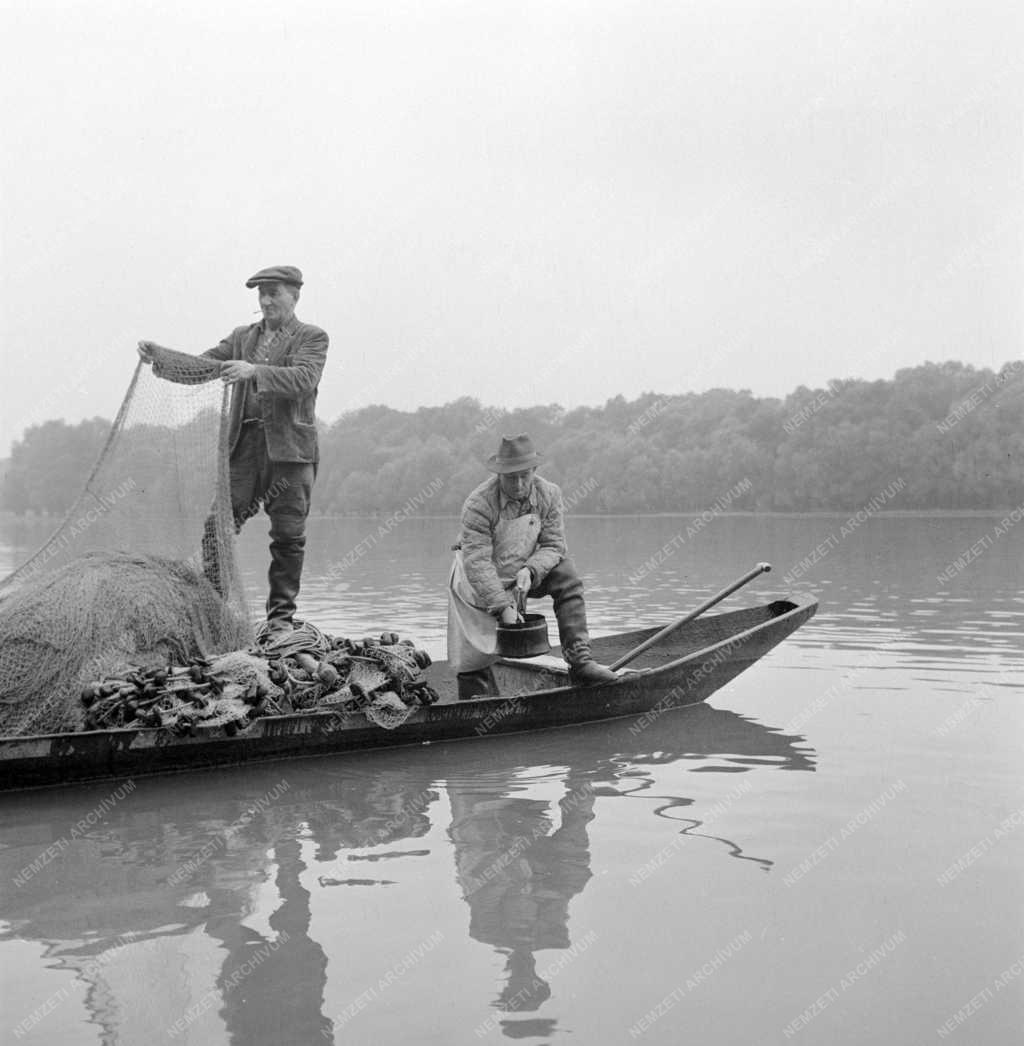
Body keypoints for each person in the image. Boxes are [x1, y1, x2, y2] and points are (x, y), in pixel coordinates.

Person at [137, 265, 329, 636]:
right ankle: (214, 607)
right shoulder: (242, 337)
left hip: (290, 452)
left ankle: (280, 620)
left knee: (288, 537)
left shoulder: (312, 337)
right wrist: (160, 359)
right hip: (244, 449)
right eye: (261, 294)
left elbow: (304, 379)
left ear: (295, 295)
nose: (266, 300)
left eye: (274, 292)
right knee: (216, 529)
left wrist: (253, 371)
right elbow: (204, 367)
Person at [448, 433, 618, 692]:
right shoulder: (478, 504)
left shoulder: (549, 494)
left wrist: (531, 570)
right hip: (476, 581)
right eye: (510, 477)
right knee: (474, 656)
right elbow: (478, 564)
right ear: (498, 475)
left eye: (524, 476)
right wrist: (503, 607)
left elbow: (554, 545)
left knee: (566, 574)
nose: (518, 485)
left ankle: (581, 662)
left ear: (534, 470)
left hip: (520, 573)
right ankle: (479, 702)